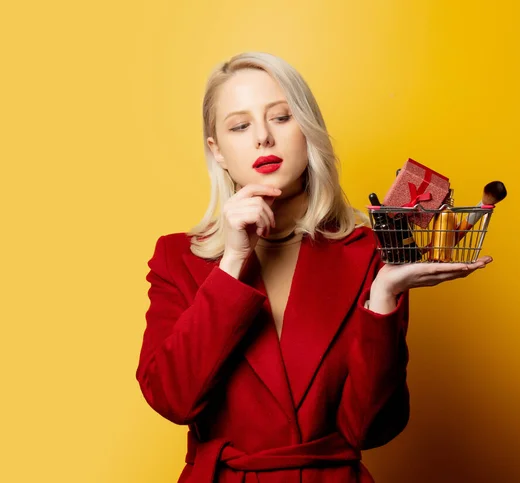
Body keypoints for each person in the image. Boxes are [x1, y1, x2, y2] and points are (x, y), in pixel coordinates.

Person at [135, 51, 492, 483]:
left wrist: (383, 298)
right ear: (219, 151)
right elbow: (171, 399)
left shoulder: (369, 253)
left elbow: (372, 428)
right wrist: (231, 260)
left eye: (282, 117)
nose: (263, 138)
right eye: (240, 126)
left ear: (309, 130)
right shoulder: (178, 258)